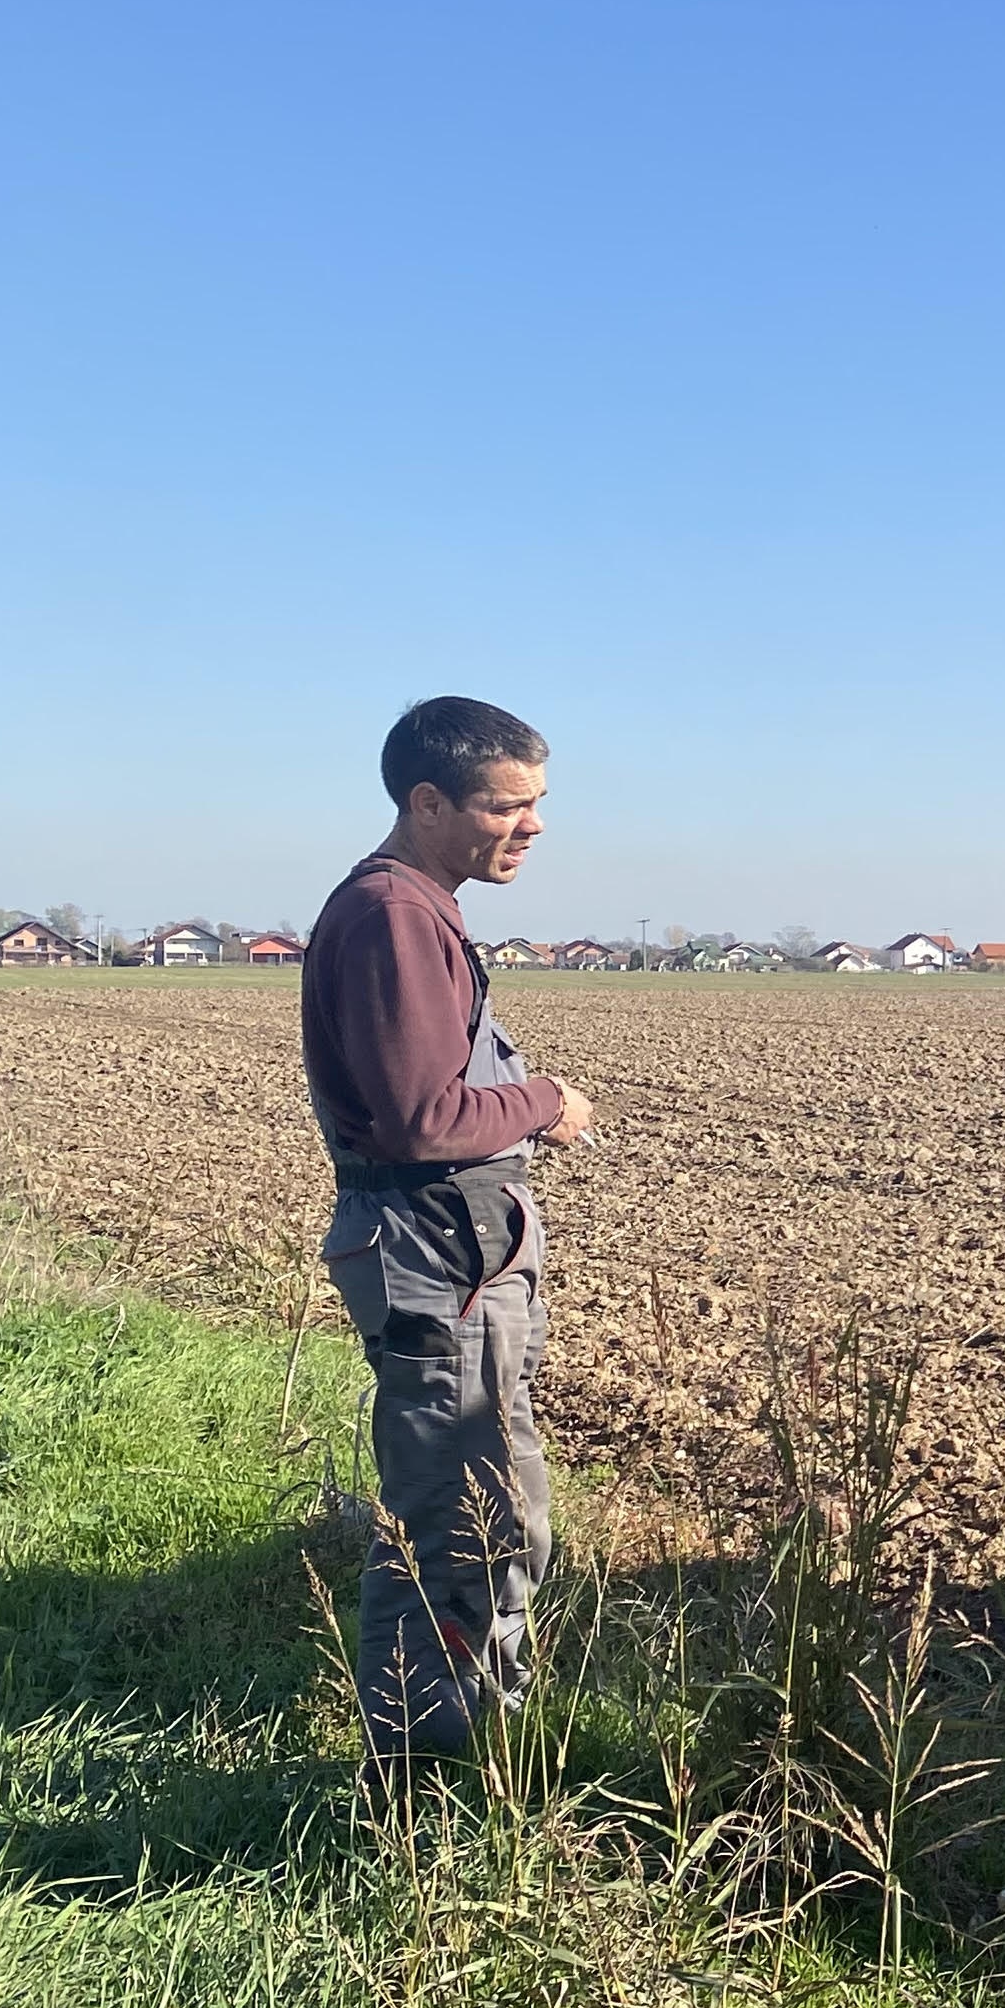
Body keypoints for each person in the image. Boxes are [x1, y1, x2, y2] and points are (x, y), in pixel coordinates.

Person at [301, 695, 597, 1790]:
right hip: (434, 1256)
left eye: (538, 803)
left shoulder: (419, 906)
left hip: (452, 1252)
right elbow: (424, 1117)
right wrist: (543, 1099)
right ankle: (423, 1791)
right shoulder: (391, 914)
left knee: (493, 1509)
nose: (531, 826)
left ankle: (489, 1749)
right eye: (505, 805)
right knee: (455, 1530)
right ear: (427, 803)